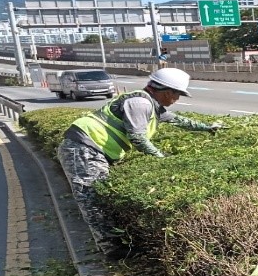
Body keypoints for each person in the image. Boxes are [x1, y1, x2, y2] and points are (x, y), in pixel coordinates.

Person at [57, 68, 221, 259]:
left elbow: (178, 120)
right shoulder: (140, 103)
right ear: (168, 92)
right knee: (92, 200)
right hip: (84, 149)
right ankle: (114, 251)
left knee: (98, 198)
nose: (177, 100)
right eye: (178, 95)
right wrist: (161, 158)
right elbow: (138, 138)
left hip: (92, 149)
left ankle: (116, 246)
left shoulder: (151, 105)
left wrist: (207, 128)